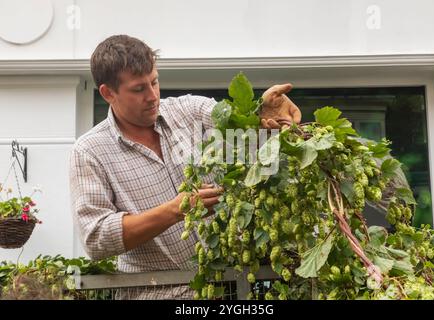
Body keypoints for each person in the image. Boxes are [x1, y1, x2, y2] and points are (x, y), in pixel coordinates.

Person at [69, 34, 301, 299]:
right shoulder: (89, 151)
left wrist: (262, 119)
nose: (152, 95)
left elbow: (242, 135)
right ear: (108, 93)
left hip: (231, 291)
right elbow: (97, 238)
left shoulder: (190, 111)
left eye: (154, 82)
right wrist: (175, 210)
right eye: (138, 89)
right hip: (157, 293)